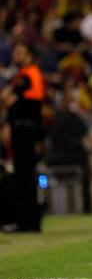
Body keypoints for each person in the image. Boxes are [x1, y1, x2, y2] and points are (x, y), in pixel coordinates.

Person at [1, 42, 45, 232]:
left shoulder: (28, 75)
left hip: (25, 130)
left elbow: (7, 98)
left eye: (19, 52)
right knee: (23, 175)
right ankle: (27, 220)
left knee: (25, 177)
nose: (15, 55)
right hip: (24, 129)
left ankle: (28, 222)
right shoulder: (23, 76)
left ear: (28, 55)